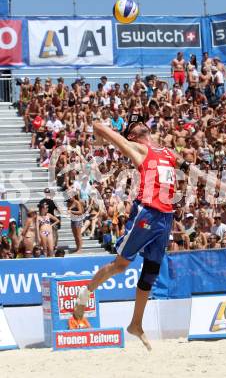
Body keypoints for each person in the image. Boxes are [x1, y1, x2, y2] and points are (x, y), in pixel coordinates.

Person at [74, 115, 185, 351]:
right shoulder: (137, 148)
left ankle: (136, 324)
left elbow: (194, 170)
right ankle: (84, 295)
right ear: (132, 135)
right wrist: (97, 140)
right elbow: (97, 126)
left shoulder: (166, 152)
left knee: (151, 272)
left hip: (166, 217)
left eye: (142, 122)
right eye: (135, 125)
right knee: (120, 265)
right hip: (147, 213)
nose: (142, 123)